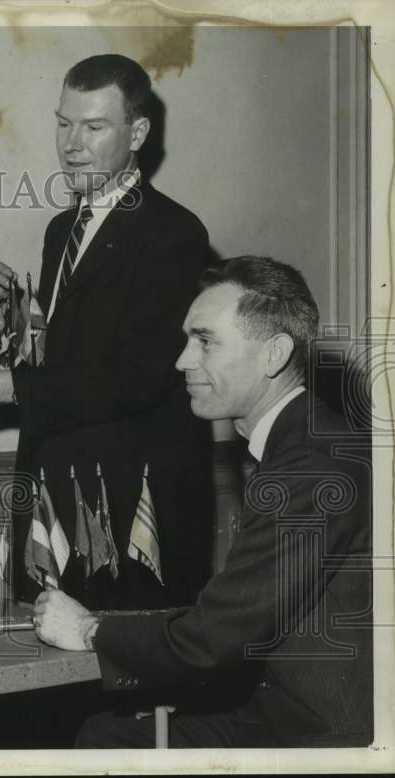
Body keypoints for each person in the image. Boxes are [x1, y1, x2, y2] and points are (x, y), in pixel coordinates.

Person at [33, 256, 373, 747]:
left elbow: (215, 639)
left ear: (273, 354)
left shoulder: (310, 469)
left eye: (205, 341)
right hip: (281, 710)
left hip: (326, 738)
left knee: (105, 740)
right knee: (107, 734)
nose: (182, 361)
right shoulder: (302, 444)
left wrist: (89, 630)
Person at [0, 54, 214, 607]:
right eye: (63, 123)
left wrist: (7, 388)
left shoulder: (174, 233)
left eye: (94, 126)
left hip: (126, 507)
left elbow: (138, 376)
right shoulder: (62, 229)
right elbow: (73, 358)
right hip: (53, 492)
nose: (71, 144)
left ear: (139, 133)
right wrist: (1, 320)